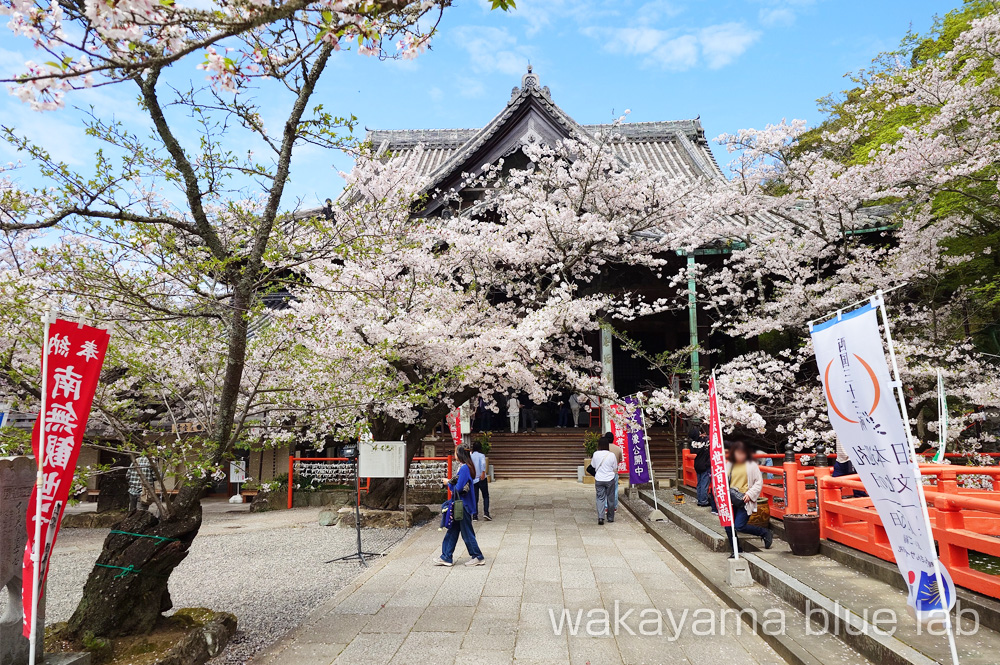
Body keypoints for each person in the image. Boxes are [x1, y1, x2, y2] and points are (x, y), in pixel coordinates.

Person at [436, 446, 485, 566]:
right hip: (462, 504)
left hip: (462, 505)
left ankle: (477, 556)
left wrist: (448, 483)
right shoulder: (467, 467)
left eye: (455, 453)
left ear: (460, 454)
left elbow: (457, 488)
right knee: (453, 530)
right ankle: (446, 556)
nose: (454, 455)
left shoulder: (464, 469)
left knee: (466, 532)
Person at [724, 439, 773, 554]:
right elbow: (724, 480)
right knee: (728, 527)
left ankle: (764, 532)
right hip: (731, 498)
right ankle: (736, 550)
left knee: (739, 526)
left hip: (745, 499)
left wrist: (750, 494)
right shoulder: (730, 464)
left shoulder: (751, 465)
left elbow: (758, 482)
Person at [592, 436, 619, 525]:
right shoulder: (611, 455)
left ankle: (601, 517)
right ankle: (610, 517)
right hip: (610, 478)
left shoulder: (596, 454)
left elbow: (593, 465)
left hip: (599, 478)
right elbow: (615, 467)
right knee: (610, 498)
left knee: (600, 498)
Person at [471, 441, 492, 521]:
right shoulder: (481, 455)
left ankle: (474, 515)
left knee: (475, 497)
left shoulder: (471, 456)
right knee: (485, 495)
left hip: (474, 478)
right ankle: (486, 513)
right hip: (481, 477)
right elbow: (483, 464)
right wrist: (483, 472)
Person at [691, 426, 711, 507]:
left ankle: (700, 500)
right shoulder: (705, 442)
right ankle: (703, 501)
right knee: (704, 484)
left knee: (699, 483)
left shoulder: (693, 443)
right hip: (704, 464)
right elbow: (710, 440)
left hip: (697, 464)